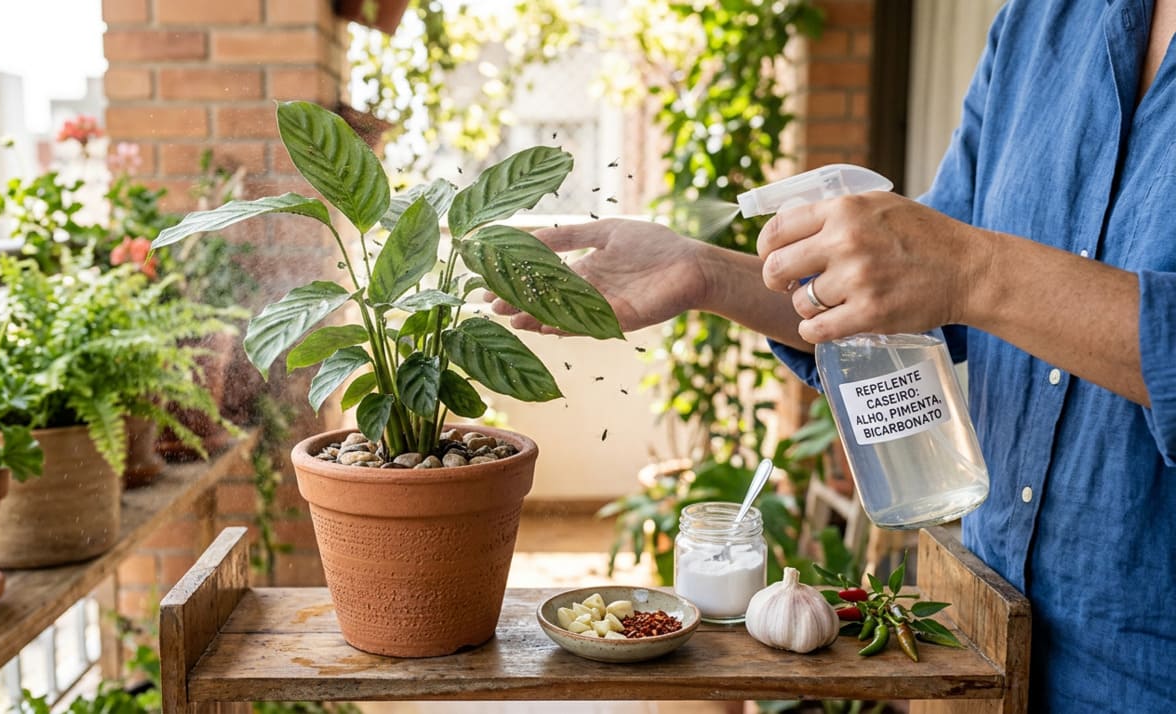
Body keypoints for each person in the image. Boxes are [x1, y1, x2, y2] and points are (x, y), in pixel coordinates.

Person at [493, 0, 1176, 709]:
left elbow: (966, 273)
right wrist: (706, 274)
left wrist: (974, 270)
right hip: (982, 643)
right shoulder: (1039, 25)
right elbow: (927, 313)